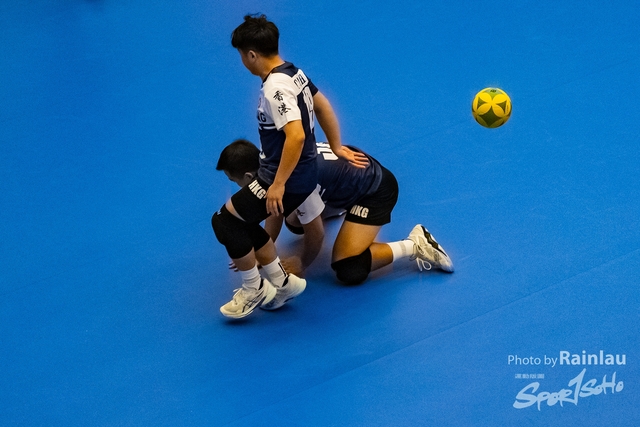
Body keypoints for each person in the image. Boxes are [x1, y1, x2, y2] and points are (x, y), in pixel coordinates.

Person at [211, 14, 367, 318]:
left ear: (251, 55)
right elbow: (322, 105)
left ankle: (253, 289)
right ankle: (283, 284)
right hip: (300, 172)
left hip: (286, 176)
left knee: (224, 222)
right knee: (242, 221)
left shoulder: (275, 89)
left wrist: (278, 184)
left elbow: (295, 136)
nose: (242, 61)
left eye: (241, 55)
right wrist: (336, 146)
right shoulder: (294, 73)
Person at [219, 139, 454, 286]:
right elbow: (275, 210)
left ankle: (416, 244)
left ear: (248, 177)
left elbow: (316, 235)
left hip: (375, 190)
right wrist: (262, 252)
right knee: (294, 221)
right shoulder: (272, 159)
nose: (237, 187)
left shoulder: (296, 184)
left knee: (348, 267)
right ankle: (337, 204)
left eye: (234, 181)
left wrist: (302, 262)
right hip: (346, 172)